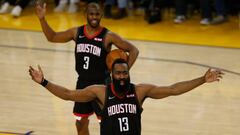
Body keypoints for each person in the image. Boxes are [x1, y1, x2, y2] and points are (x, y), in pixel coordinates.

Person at [29, 58, 224, 135]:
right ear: (112, 75)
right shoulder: (100, 92)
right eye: (118, 73)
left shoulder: (139, 91)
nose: (122, 76)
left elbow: (173, 89)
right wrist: (44, 82)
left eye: (125, 73)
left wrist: (202, 79)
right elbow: (68, 94)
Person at [35, 1, 139, 135]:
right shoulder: (77, 32)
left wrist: (122, 73)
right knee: (80, 121)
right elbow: (52, 37)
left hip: (102, 84)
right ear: (86, 14)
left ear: (101, 14)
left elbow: (134, 50)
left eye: (97, 14)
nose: (94, 17)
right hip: (83, 83)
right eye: (91, 14)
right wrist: (42, 19)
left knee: (108, 123)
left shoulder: (108, 36)